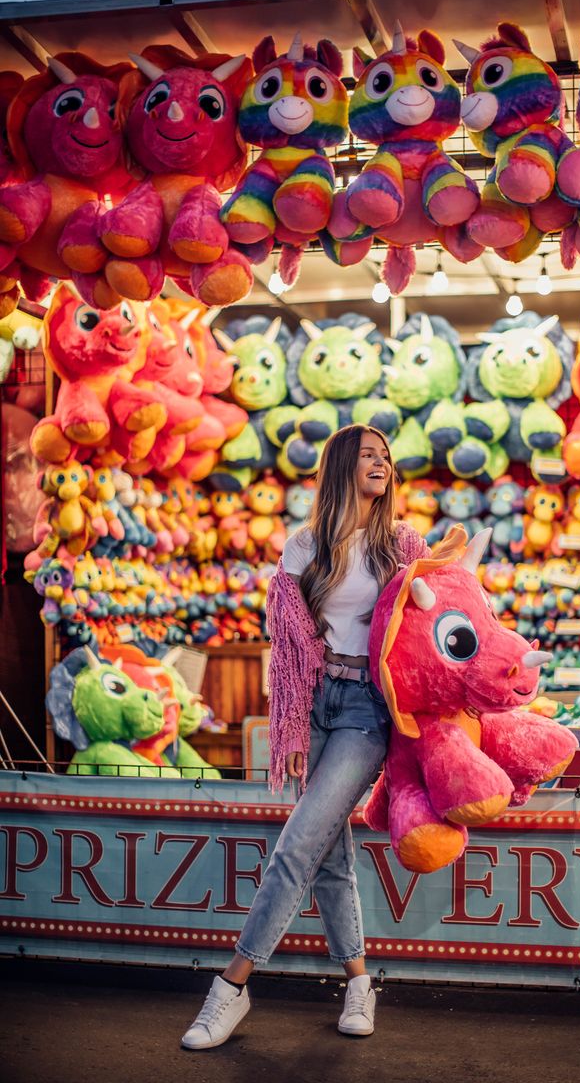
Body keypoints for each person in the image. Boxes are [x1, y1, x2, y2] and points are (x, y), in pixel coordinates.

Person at [181, 425, 431, 1050]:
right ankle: (358, 983)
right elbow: (288, 639)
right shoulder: (304, 545)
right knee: (328, 854)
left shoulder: (400, 545)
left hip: (366, 711)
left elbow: (428, 618)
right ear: (343, 464)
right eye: (369, 454)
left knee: (296, 846)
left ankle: (231, 986)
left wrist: (427, 581)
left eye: (386, 457)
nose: (382, 463)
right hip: (310, 704)